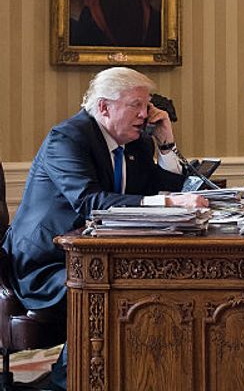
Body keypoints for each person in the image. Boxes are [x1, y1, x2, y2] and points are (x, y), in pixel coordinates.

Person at [2, 67, 207, 390]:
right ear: (103, 107)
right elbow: (89, 202)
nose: (145, 114)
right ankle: (70, 380)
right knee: (108, 290)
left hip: (101, 257)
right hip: (47, 263)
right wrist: (169, 205)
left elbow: (162, 190)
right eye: (136, 105)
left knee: (151, 287)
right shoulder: (67, 137)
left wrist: (166, 144)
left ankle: (143, 377)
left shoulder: (137, 142)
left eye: (147, 105)